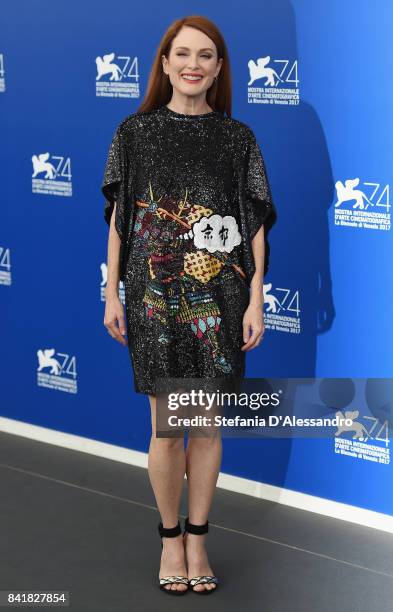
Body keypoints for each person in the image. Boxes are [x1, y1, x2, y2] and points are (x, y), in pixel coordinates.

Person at [101, 15, 277, 596]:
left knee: (204, 426)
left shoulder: (237, 139)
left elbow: (253, 226)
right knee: (166, 429)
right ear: (165, 63)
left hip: (221, 299)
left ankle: (198, 541)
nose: (193, 64)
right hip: (154, 299)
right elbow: (121, 221)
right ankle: (168, 539)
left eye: (206, 55)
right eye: (183, 53)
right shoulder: (134, 132)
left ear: (219, 68)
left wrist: (255, 297)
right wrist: (113, 291)